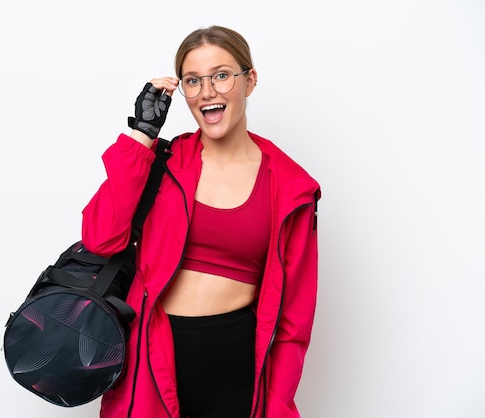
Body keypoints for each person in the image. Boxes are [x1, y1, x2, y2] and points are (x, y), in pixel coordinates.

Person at [81, 25, 321, 418]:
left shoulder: (291, 187)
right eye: (193, 81)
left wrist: (277, 406)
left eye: (222, 75)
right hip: (151, 357)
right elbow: (100, 238)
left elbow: (295, 321)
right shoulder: (163, 162)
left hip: (236, 364)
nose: (207, 91)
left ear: (250, 81)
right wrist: (142, 136)